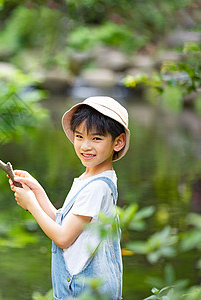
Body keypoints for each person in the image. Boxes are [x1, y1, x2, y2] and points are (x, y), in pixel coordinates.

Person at [9, 96, 130, 299]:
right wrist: (37, 192)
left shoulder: (98, 187)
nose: (85, 146)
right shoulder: (89, 177)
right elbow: (64, 223)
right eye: (79, 136)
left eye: (97, 138)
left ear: (117, 142)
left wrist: (31, 204)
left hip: (85, 292)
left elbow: (64, 238)